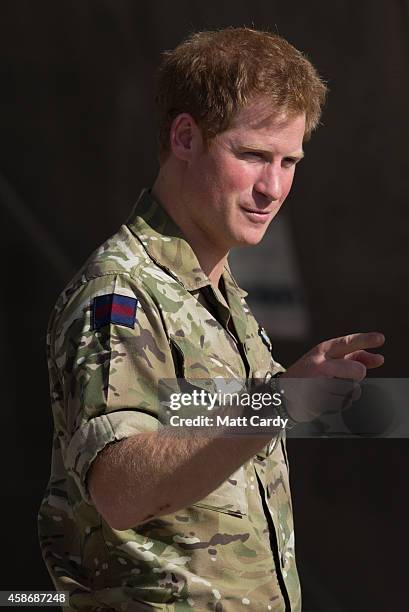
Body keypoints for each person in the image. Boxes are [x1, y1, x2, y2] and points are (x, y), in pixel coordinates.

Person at [38, 27, 385, 611]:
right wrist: (276, 403)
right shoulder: (120, 291)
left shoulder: (217, 294)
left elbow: (192, 426)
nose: (272, 187)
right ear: (185, 137)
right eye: (252, 155)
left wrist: (293, 393)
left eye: (289, 161)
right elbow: (120, 487)